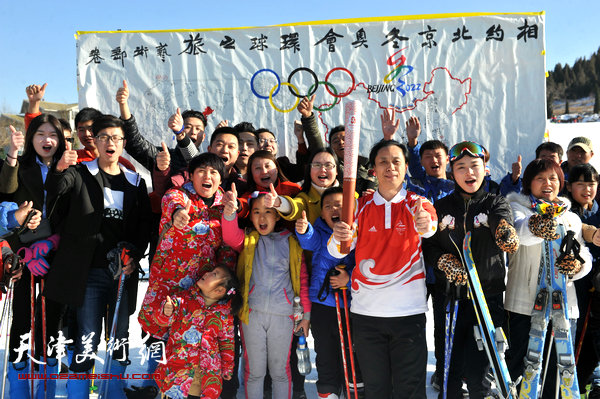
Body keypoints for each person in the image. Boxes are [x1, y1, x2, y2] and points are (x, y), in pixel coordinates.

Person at [45, 115, 152, 398]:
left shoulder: (135, 180)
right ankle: (77, 392)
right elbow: (56, 190)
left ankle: (114, 391)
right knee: (87, 335)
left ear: (123, 144)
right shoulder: (80, 173)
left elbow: (143, 225)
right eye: (105, 137)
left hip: (121, 272)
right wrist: (58, 169)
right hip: (88, 273)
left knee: (120, 336)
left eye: (116, 138)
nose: (111, 143)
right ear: (96, 141)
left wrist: (134, 255)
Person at [328, 139, 437, 398]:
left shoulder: (418, 203)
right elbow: (337, 250)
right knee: (376, 390)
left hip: (408, 314)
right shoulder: (358, 207)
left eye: (396, 161)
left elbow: (429, 228)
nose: (390, 167)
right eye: (383, 162)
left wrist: (424, 224)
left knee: (409, 390)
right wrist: (339, 236)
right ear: (373, 170)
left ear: (406, 167)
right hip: (367, 314)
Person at [423, 141, 519, 399]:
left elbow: (502, 221)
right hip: (450, 299)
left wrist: (504, 233)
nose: (469, 173)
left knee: (480, 373)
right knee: (449, 371)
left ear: (485, 169)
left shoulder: (495, 203)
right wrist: (444, 262)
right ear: (451, 172)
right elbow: (429, 247)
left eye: (475, 166)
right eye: (461, 167)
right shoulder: (441, 208)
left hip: (487, 298)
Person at [137, 152, 236, 395]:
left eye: (214, 172)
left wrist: (224, 280)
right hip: (169, 289)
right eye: (201, 171)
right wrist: (178, 214)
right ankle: (153, 388)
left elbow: (226, 247)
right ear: (191, 175)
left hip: (201, 291)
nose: (207, 176)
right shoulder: (178, 195)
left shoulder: (224, 204)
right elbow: (171, 202)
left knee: (190, 349)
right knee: (159, 342)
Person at [504, 158, 592, 398]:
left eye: (553, 178)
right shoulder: (516, 208)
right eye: (540, 178)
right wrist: (540, 224)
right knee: (523, 370)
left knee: (559, 371)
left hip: (564, 305)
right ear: (529, 183)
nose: (547, 183)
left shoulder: (570, 217)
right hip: (525, 303)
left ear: (561, 183)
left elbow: (583, 253)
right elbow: (521, 234)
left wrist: (576, 265)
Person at [0, 114, 66, 398]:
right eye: (40, 134)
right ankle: (18, 384)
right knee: (22, 319)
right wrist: (13, 155)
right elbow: (6, 192)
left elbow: (71, 212)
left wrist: (52, 242)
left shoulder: (68, 167)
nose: (46, 140)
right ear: (31, 138)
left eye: (53, 134)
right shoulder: (21, 166)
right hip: (23, 255)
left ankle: (47, 385)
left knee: (53, 320)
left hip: (58, 255)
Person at [221, 190, 310, 399]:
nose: (262, 217)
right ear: (250, 216)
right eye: (256, 212)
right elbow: (230, 236)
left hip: (284, 316)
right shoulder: (249, 241)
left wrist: (306, 316)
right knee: (255, 373)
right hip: (252, 315)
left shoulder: (292, 243)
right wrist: (230, 213)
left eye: (268, 212)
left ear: (278, 215)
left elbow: (302, 282)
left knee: (280, 372)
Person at [295, 186, 363, 398]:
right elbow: (308, 240)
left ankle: (356, 389)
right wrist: (303, 229)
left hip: (352, 305)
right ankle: (328, 391)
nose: (334, 209)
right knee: (325, 353)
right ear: (322, 214)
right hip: (323, 305)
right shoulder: (320, 231)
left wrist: (349, 276)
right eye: (328, 206)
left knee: (354, 354)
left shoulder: (360, 232)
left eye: (340, 206)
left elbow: (367, 262)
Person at [155, 265, 242, 399]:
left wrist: (227, 367)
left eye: (214, 274)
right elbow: (163, 321)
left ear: (219, 290)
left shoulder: (224, 314)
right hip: (176, 373)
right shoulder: (183, 300)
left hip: (205, 378)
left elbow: (227, 343)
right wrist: (166, 311)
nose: (207, 273)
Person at [271, 148, 340, 225]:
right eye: (317, 165)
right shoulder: (305, 198)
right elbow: (297, 206)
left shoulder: (350, 195)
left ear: (337, 170)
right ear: (309, 170)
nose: (322, 169)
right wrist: (279, 202)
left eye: (328, 165)